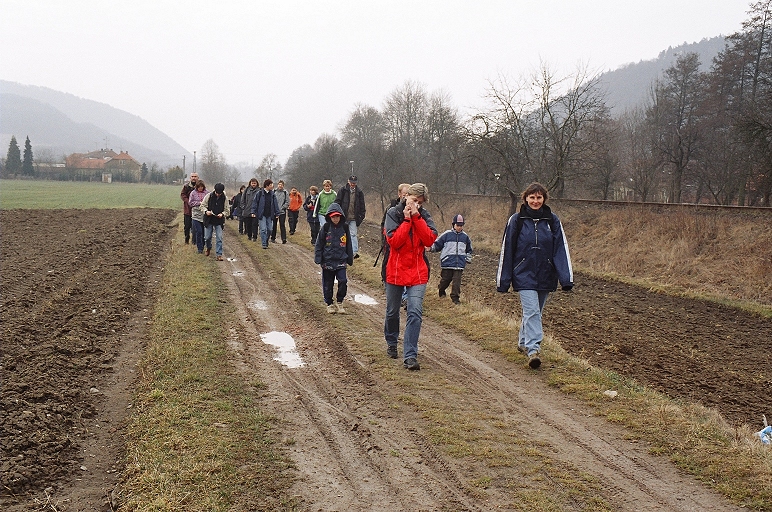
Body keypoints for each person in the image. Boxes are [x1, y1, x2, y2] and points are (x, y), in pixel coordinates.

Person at [496, 182, 574, 369]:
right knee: (532, 311)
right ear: (525, 199)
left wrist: (566, 279)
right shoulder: (516, 220)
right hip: (523, 274)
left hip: (546, 274)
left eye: (539, 197)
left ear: (544, 199)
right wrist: (503, 280)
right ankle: (533, 350)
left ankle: (523, 342)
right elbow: (507, 249)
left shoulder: (552, 220)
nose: (535, 201)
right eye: (532, 197)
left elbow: (561, 249)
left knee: (535, 312)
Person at [383, 183, 438, 371]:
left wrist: (416, 217)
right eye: (414, 200)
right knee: (392, 311)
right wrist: (406, 221)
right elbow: (394, 242)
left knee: (415, 312)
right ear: (406, 196)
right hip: (396, 270)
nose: (416, 205)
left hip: (417, 272)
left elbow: (429, 239)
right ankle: (391, 341)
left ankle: (410, 355)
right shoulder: (393, 213)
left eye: (420, 202)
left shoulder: (425, 216)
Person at [314, 202, 354, 314]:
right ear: (329, 217)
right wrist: (318, 257)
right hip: (328, 260)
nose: (335, 219)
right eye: (333, 217)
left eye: (337, 216)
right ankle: (329, 303)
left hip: (341, 260)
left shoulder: (345, 227)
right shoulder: (326, 228)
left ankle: (340, 301)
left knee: (343, 281)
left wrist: (349, 258)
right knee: (328, 284)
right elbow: (319, 243)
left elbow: (349, 244)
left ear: (340, 216)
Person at [430, 214, 473, 305]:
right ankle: (441, 289)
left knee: (457, 282)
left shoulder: (465, 237)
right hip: (447, 262)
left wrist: (467, 258)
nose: (459, 227)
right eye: (458, 225)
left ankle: (455, 298)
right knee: (445, 280)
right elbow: (437, 244)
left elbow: (469, 249)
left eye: (461, 225)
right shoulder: (446, 234)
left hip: (459, 264)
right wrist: (430, 248)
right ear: (453, 225)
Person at [335, 175, 366, 258]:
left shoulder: (359, 192)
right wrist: (338, 215)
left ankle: (354, 252)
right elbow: (337, 203)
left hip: (354, 218)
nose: (353, 184)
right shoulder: (342, 190)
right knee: (341, 234)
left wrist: (360, 217)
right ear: (348, 181)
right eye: (351, 182)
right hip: (343, 217)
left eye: (354, 183)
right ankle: (340, 250)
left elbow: (362, 206)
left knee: (353, 235)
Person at [250, 178, 280, 249]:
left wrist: (277, 213)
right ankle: (264, 244)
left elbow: (275, 204)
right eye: (271, 185)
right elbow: (255, 203)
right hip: (262, 214)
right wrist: (253, 212)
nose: (272, 186)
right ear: (267, 186)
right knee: (263, 229)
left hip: (270, 214)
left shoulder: (272, 194)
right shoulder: (259, 193)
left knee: (270, 229)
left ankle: (266, 240)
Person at [201, 182, 227, 261]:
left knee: (219, 237)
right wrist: (206, 211)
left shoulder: (224, 198)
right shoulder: (208, 196)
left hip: (219, 220)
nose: (218, 195)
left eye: (220, 193)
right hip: (209, 220)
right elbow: (202, 205)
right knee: (207, 237)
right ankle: (208, 247)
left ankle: (219, 254)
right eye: (217, 193)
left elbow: (227, 210)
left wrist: (222, 214)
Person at [188, 180, 210, 255]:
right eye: (199, 187)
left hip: (204, 215)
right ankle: (199, 248)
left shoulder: (207, 193)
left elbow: (210, 202)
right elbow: (190, 203)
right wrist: (198, 203)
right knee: (199, 231)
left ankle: (204, 245)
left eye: (202, 187)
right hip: (196, 215)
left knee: (204, 232)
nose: (200, 188)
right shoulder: (193, 193)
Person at [180, 172, 199, 245]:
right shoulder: (186, 186)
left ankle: (194, 242)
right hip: (187, 210)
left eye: (195, 176)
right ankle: (187, 240)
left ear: (198, 178)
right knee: (187, 226)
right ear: (190, 178)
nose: (194, 178)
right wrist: (188, 201)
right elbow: (182, 195)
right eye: (192, 176)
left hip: (197, 211)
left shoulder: (200, 186)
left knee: (195, 227)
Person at [271, 180, 289, 244]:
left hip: (282, 212)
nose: (280, 186)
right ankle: (273, 238)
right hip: (274, 212)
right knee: (274, 225)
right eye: (279, 184)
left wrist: (283, 208)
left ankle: (283, 238)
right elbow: (271, 201)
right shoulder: (274, 191)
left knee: (282, 225)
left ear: (283, 185)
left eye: (281, 185)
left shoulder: (285, 192)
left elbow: (287, 202)